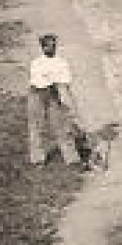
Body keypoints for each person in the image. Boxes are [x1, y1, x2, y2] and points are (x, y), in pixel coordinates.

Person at [27, 34, 82, 168]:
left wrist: (68, 102)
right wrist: (53, 80)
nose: (50, 48)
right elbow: (39, 81)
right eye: (47, 45)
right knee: (36, 127)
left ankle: (72, 159)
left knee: (62, 126)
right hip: (37, 94)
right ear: (42, 47)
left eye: (53, 45)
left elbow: (65, 82)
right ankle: (37, 159)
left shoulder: (61, 62)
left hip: (54, 95)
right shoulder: (36, 63)